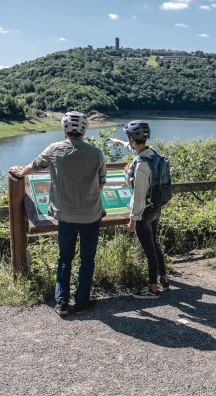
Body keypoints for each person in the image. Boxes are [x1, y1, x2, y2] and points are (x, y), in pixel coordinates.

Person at [9, 111, 107, 316]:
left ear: (65, 129)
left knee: (64, 258)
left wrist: (20, 172)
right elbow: (102, 181)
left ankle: (61, 303)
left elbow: (34, 166)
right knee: (88, 259)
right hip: (91, 214)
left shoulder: (54, 149)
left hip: (65, 215)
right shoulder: (96, 152)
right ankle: (82, 302)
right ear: (84, 129)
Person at [111, 120, 169, 299]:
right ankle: (164, 279)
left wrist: (133, 219)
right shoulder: (152, 154)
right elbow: (135, 150)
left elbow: (138, 195)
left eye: (127, 137)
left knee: (148, 250)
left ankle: (153, 289)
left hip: (144, 213)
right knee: (155, 244)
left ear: (131, 137)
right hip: (155, 208)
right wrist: (120, 143)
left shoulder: (142, 166)